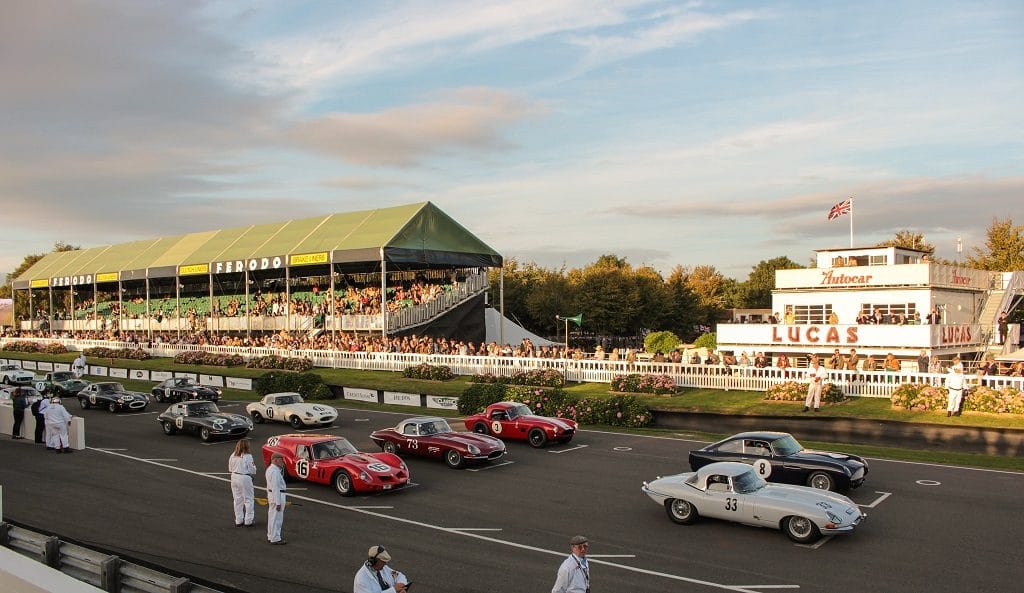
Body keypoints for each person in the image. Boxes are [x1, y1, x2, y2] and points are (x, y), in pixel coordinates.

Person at [229, 439, 257, 527]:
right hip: (244, 477)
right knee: (248, 499)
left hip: (234, 477)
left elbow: (230, 468)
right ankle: (248, 520)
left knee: (237, 499)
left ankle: (238, 520)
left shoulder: (233, 455)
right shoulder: (248, 456)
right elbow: (253, 470)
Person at [265, 452, 287, 544]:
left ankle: (271, 535)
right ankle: (275, 538)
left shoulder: (270, 469)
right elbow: (276, 487)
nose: (283, 462)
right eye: (281, 460)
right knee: (277, 518)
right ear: (275, 460)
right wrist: (278, 502)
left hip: (272, 495)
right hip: (277, 496)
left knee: (272, 517)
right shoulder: (275, 472)